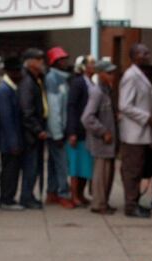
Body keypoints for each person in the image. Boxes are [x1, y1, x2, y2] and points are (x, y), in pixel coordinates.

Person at [118, 43, 152, 218]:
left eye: (148, 52)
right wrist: (147, 117)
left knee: (138, 170)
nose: (147, 55)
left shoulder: (141, 75)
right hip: (133, 135)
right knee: (132, 172)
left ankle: (134, 202)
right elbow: (124, 105)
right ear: (134, 56)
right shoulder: (131, 76)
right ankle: (130, 206)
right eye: (143, 53)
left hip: (141, 135)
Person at [81, 59, 118, 215]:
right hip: (102, 141)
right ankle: (98, 204)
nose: (112, 76)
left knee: (108, 173)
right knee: (101, 174)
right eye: (109, 73)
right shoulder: (97, 92)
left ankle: (104, 202)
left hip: (108, 141)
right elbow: (87, 117)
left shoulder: (106, 91)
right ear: (100, 74)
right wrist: (103, 131)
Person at [18, 48, 48, 210]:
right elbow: (26, 111)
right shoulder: (27, 83)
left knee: (35, 166)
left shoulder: (37, 80)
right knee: (31, 166)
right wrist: (38, 130)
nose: (42, 63)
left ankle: (29, 195)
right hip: (31, 133)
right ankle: (26, 196)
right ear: (30, 63)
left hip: (37, 130)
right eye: (38, 60)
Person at [66, 54, 96, 207]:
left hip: (88, 131)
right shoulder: (77, 83)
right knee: (75, 166)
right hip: (77, 130)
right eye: (91, 63)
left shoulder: (91, 83)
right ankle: (74, 195)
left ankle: (82, 194)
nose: (94, 66)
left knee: (85, 165)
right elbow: (71, 107)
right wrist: (72, 131)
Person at [45, 46, 73, 208]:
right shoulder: (53, 79)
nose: (65, 62)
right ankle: (63, 193)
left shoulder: (62, 78)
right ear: (54, 62)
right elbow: (54, 107)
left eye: (65, 59)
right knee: (61, 163)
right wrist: (57, 133)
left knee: (54, 163)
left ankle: (52, 192)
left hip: (59, 129)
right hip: (57, 130)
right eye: (61, 59)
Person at [0, 54, 25, 211]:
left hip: (13, 137)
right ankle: (6, 198)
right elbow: (6, 118)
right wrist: (13, 142)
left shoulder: (11, 88)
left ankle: (8, 196)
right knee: (9, 170)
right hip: (9, 140)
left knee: (13, 170)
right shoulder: (4, 90)